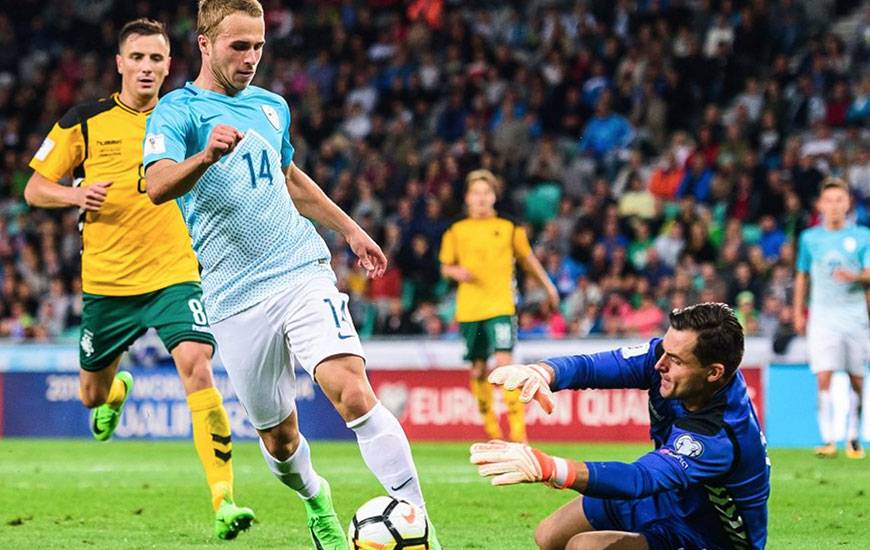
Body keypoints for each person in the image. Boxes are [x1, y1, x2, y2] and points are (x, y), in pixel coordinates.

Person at [141, 2, 440, 548]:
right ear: (204, 44)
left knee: (350, 391)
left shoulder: (272, 106)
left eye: (258, 45)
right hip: (233, 296)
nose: (252, 57)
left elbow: (290, 178)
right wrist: (205, 157)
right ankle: (314, 498)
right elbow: (157, 185)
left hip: (300, 269)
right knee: (279, 440)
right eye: (239, 46)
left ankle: (422, 526)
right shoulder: (176, 113)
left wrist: (350, 229)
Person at [23, 18, 254, 540]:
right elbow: (35, 188)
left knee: (198, 366)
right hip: (107, 284)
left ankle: (224, 501)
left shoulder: (182, 115)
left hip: (175, 272)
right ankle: (113, 393)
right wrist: (74, 195)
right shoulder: (84, 121)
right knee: (90, 395)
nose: (148, 67)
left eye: (157, 59)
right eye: (139, 58)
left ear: (170, 65)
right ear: (121, 64)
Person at [470, 303, 770, 550]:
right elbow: (593, 367)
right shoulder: (667, 363)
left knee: (584, 548)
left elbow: (638, 478)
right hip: (668, 499)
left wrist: (551, 468)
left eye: (675, 360)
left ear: (714, 373)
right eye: (664, 350)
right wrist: (543, 372)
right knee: (549, 535)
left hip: (707, 537)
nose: (659, 363)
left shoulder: (719, 435)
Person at [439, 169, 559, 442]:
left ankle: (518, 432)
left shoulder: (509, 227)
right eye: (476, 193)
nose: (481, 198)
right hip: (470, 309)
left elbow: (528, 261)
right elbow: (445, 266)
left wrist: (548, 287)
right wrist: (455, 272)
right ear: (468, 198)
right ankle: (491, 429)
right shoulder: (456, 229)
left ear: (494, 197)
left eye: (486, 193)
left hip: (501, 306)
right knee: (479, 368)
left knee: (505, 362)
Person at [793, 177, 870, 459]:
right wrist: (797, 311)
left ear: (848, 203)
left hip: (854, 315)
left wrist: (856, 275)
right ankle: (828, 439)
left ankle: (853, 437)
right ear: (821, 205)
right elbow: (802, 275)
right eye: (830, 200)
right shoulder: (810, 238)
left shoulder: (863, 236)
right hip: (822, 316)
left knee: (857, 379)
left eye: (840, 200)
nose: (835, 205)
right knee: (823, 375)